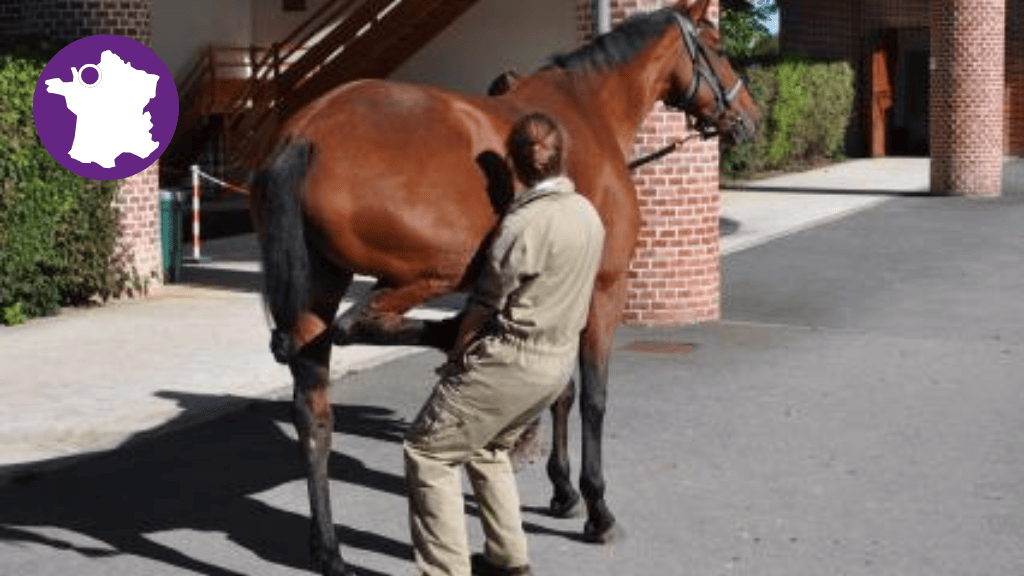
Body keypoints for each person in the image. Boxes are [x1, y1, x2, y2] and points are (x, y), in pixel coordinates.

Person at [404, 112, 605, 576]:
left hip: (511, 362)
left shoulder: (521, 225)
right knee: (488, 448)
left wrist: (457, 355)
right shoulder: (587, 214)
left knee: (429, 452)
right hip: (557, 366)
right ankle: (508, 561)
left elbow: (483, 305)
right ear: (562, 156)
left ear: (514, 164)